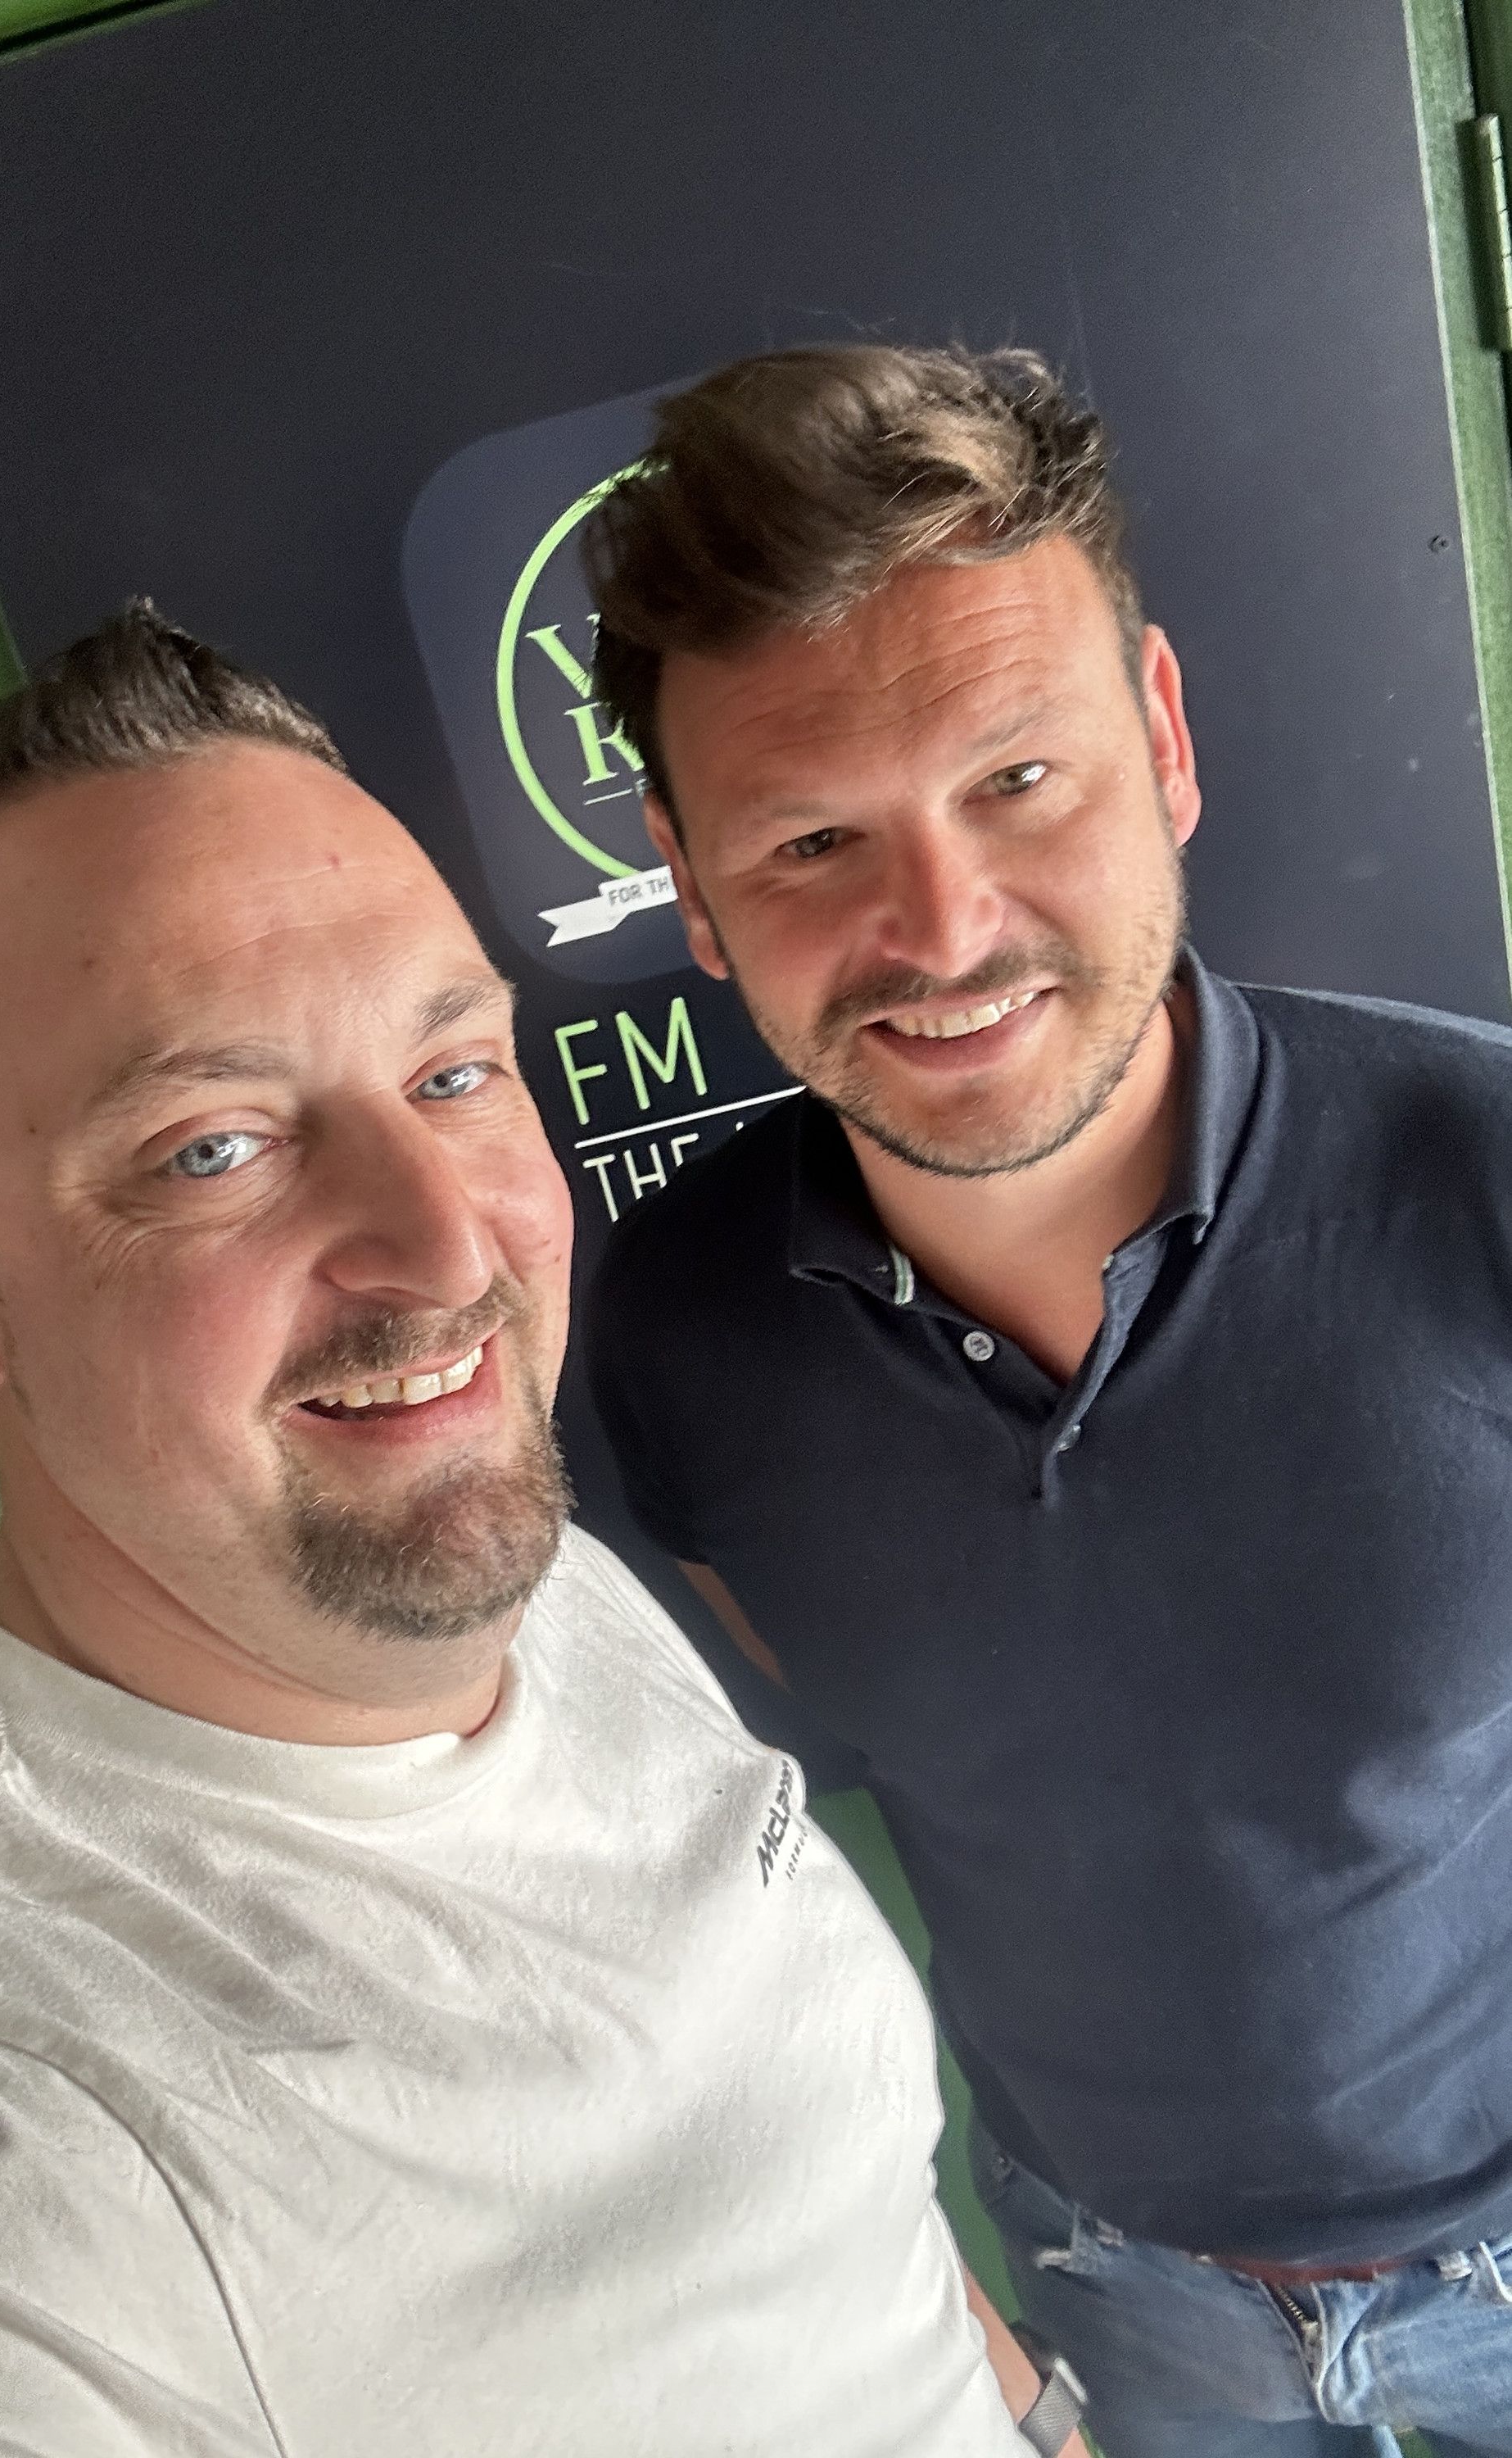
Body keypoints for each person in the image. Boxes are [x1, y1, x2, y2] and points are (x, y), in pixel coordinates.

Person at [0, 605, 1069, 2457]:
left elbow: (836, 2218)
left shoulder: (518, 1580)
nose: (443, 1246)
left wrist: (1038, 2419)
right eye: (211, 1146)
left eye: (452, 1075)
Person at [582, 343, 1512, 2457]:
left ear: (1161, 738)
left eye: (1017, 779)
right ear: (692, 886)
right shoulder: (663, 1327)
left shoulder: (1485, 1172)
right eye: (812, 837)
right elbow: (750, 1856)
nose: (941, 928)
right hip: (1110, 2285)